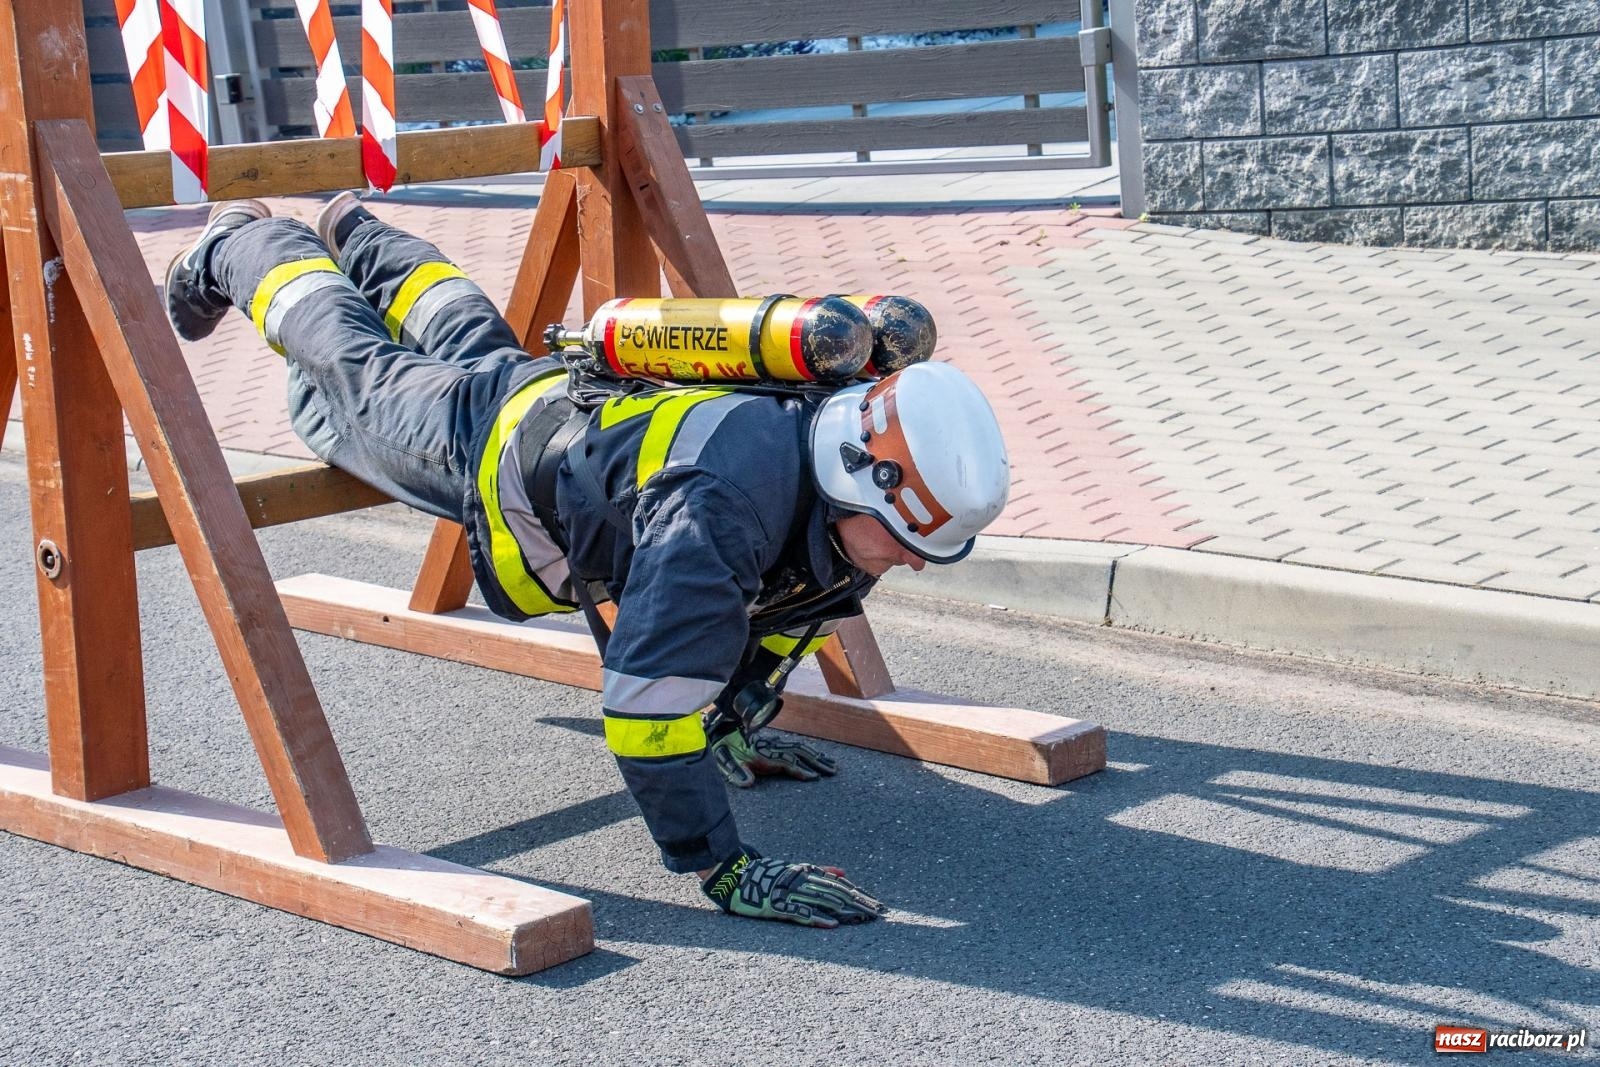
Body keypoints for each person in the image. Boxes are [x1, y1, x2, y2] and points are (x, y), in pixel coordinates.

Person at [164, 195, 1011, 928]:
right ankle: (242, 245)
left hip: (560, 409)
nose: (918, 565)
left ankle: (357, 224)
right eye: (909, 543)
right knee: (354, 362)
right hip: (497, 451)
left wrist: (733, 720)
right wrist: (724, 866)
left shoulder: (842, 454)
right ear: (862, 485)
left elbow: (797, 611)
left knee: (463, 330)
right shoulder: (716, 517)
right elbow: (643, 708)